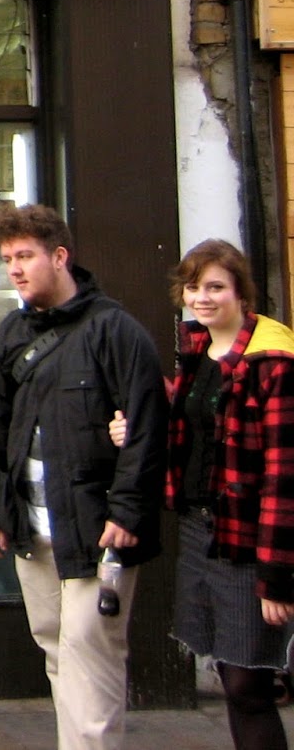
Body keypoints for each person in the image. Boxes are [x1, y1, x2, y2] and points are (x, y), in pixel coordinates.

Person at [0, 203, 166, 750]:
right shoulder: (12, 332)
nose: (14, 268)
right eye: (7, 258)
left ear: (59, 257)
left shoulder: (115, 330)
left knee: (92, 654)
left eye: (25, 256)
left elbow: (147, 429)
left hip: (95, 529)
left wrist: (127, 512)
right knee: (57, 649)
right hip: (32, 527)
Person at [110, 240, 294, 750]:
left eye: (215, 287)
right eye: (193, 287)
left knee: (248, 686)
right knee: (233, 677)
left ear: (241, 293)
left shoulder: (274, 362)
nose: (202, 298)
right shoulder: (199, 351)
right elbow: (194, 427)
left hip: (250, 543)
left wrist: (276, 576)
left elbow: (284, 475)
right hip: (200, 531)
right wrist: (141, 428)